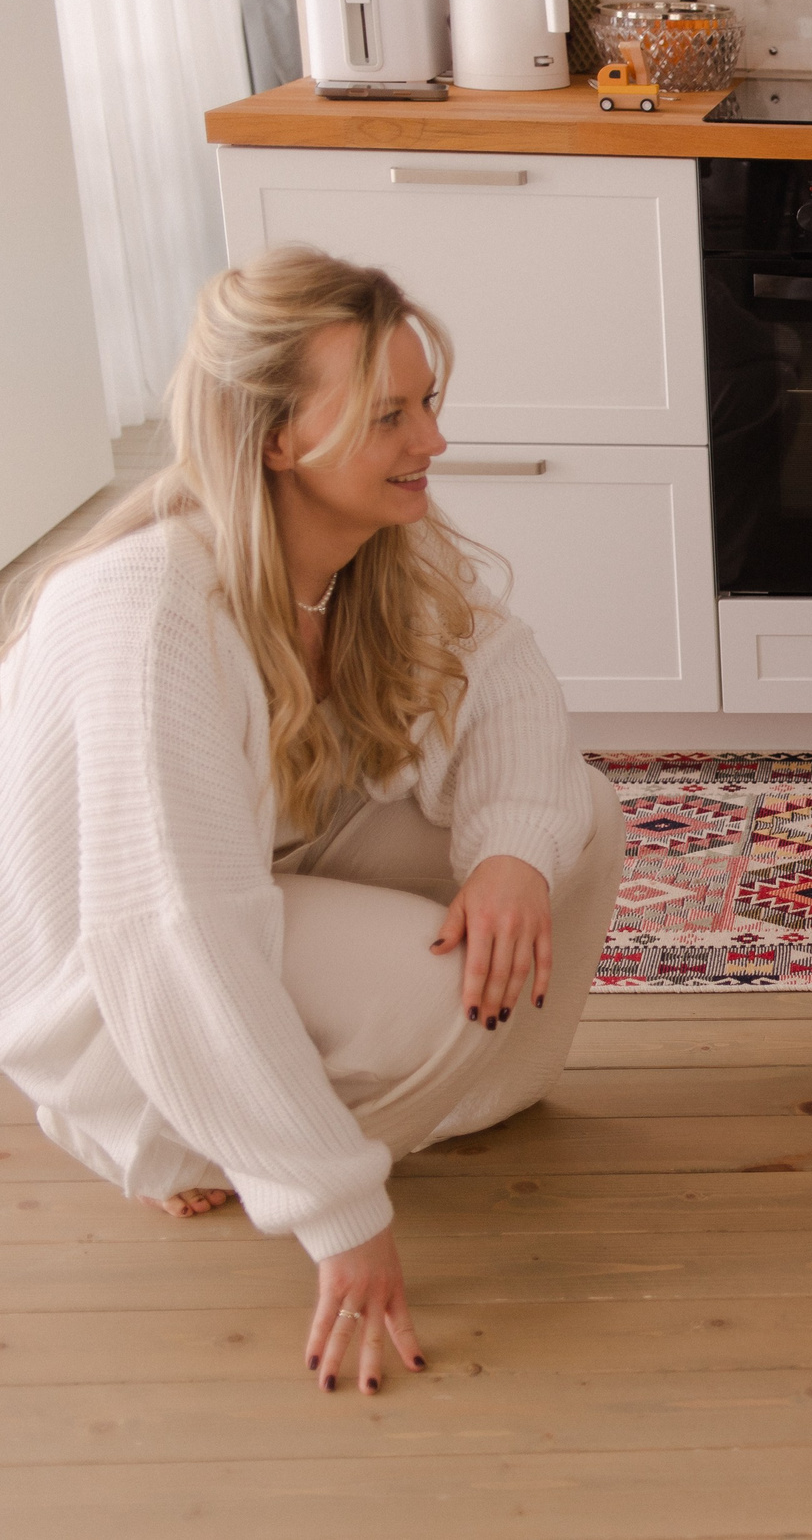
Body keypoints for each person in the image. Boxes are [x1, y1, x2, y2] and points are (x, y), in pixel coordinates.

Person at [0, 249, 627, 1396]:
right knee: (439, 992)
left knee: (569, 813)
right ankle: (188, 1137)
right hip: (112, 985)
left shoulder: (370, 545)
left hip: (257, 873)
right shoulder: (147, 613)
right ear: (278, 440)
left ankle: (458, 1095)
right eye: (389, 415)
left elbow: (510, 675)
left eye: (426, 402)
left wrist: (507, 856)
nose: (431, 442)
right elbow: (171, 932)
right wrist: (337, 1213)